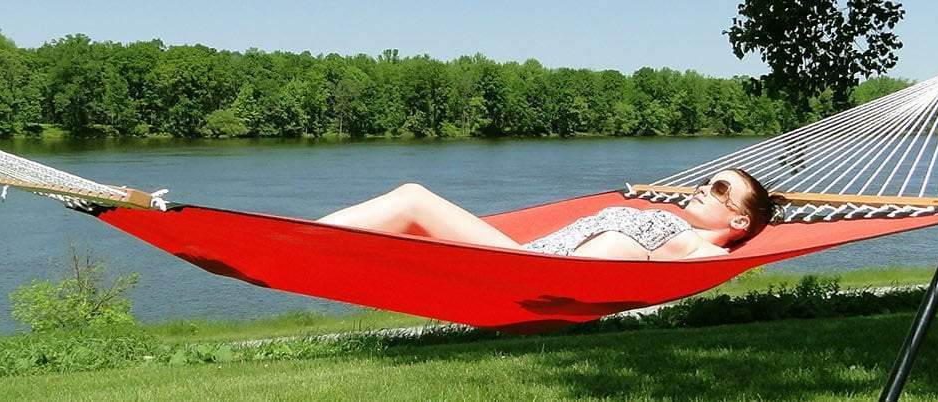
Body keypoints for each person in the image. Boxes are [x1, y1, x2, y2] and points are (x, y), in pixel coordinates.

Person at [317, 168, 775, 261]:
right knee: (410, 206)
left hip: (532, 270)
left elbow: (704, 266)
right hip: (524, 257)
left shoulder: (700, 249)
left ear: (738, 221)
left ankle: (291, 246)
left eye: (719, 189)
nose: (703, 188)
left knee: (414, 200)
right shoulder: (677, 223)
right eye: (707, 181)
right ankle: (292, 245)